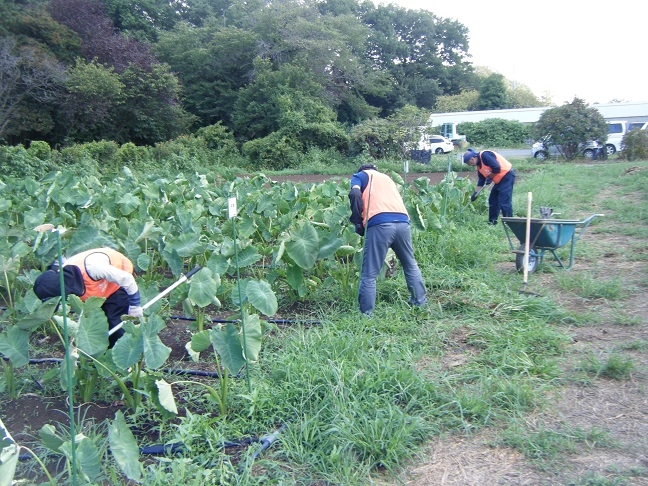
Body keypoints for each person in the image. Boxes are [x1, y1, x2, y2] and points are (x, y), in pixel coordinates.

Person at [348, 163, 426, 315]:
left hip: (380, 223)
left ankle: (366, 314)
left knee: (369, 273)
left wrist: (357, 221)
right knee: (410, 264)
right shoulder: (387, 178)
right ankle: (420, 305)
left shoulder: (361, 176)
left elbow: (355, 194)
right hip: (403, 222)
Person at [33, 247, 142, 347]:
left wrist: (135, 306)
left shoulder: (94, 268)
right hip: (98, 290)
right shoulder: (61, 279)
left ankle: (116, 355)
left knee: (114, 322)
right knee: (97, 321)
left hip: (118, 277)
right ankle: (102, 351)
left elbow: (126, 279)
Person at [463, 148, 516, 225]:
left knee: (504, 201)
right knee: (493, 200)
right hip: (499, 180)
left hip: (507, 176)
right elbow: (481, 180)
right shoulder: (479, 166)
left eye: (468, 163)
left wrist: (490, 176)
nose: (469, 165)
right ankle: (492, 222)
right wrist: (475, 194)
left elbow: (496, 167)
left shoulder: (485, 155)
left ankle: (510, 223)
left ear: (472, 159)